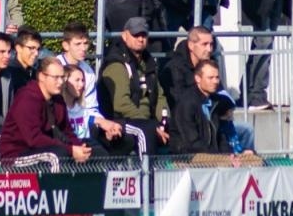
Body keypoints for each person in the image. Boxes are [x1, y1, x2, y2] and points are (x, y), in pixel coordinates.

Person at [159, 25, 257, 153]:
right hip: (191, 125)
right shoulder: (175, 68)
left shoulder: (209, 65)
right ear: (191, 45)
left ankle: (242, 163)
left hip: (213, 118)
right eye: (204, 44)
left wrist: (224, 108)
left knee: (246, 130)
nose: (209, 49)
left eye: (211, 44)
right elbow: (181, 103)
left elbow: (221, 94)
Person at [0, 56, 93, 169]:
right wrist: (70, 149)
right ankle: (61, 187)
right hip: (15, 155)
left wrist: (79, 147)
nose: (60, 82)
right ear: (42, 76)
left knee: (92, 148)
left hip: (43, 149)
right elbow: (33, 139)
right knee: (57, 156)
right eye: (56, 77)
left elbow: (66, 130)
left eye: (62, 77)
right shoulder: (26, 99)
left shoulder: (58, 99)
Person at [97, 16, 169, 157]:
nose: (140, 39)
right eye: (136, 35)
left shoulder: (148, 63)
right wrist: (152, 125)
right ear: (124, 36)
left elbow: (159, 96)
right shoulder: (116, 64)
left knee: (176, 130)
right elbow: (121, 105)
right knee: (146, 131)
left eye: (143, 35)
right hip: (120, 120)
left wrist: (164, 121)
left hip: (147, 120)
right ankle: (147, 175)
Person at [57, 24, 122, 144]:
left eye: (86, 43)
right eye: (78, 44)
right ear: (65, 45)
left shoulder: (88, 71)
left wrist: (105, 125)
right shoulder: (56, 67)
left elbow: (91, 107)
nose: (83, 48)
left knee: (118, 138)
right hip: (61, 124)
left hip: (83, 121)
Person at [169, 59, 242, 156]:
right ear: (197, 79)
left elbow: (221, 137)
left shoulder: (215, 101)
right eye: (210, 78)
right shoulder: (186, 103)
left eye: (217, 77)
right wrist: (220, 156)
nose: (215, 81)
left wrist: (230, 154)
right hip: (188, 157)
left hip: (212, 155)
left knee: (253, 160)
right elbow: (192, 142)